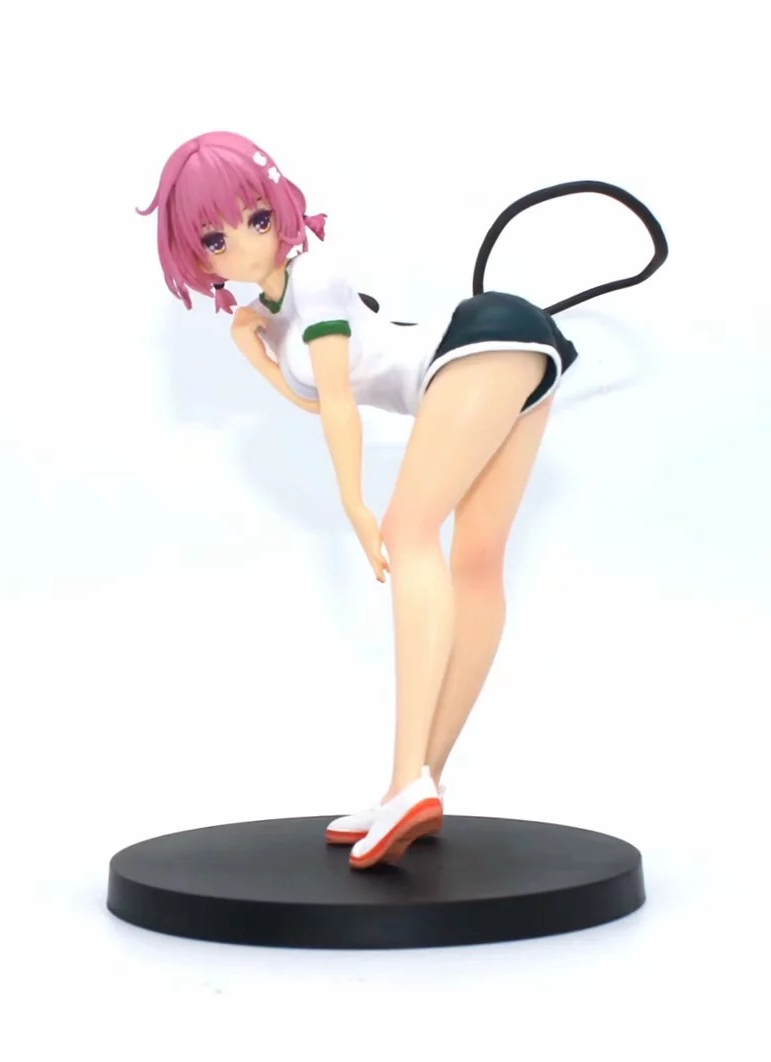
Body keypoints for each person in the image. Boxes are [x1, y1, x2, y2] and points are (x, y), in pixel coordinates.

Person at [138, 131, 587, 871]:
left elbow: (341, 405)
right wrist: (254, 347)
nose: (246, 244)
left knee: (411, 533)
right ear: (196, 257)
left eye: (258, 218)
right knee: (476, 562)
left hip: (477, 347)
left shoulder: (312, 281)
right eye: (216, 239)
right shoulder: (284, 305)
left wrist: (354, 501)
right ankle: (417, 784)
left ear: (280, 205)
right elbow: (318, 395)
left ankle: (409, 782)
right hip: (508, 352)